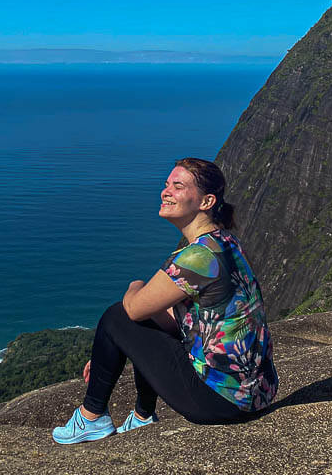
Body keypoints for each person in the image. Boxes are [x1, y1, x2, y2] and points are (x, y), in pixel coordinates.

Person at [52, 157, 278, 444]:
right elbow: (172, 320)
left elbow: (133, 309)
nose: (166, 191)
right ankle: (142, 417)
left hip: (221, 400)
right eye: (166, 184)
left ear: (206, 201)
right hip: (256, 393)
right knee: (143, 321)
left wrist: (136, 284)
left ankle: (91, 417)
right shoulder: (226, 243)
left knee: (117, 316)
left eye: (178, 186)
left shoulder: (197, 257)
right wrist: (109, 355)